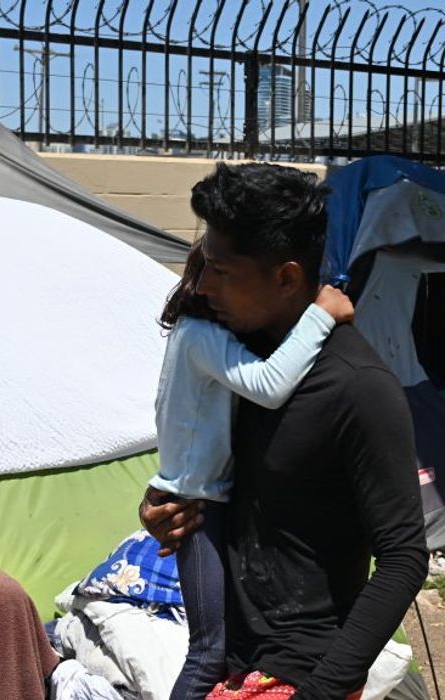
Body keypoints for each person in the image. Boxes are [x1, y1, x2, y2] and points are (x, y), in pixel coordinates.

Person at [140, 162, 429, 700]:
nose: (202, 287)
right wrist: (162, 508)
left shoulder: (357, 388)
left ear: (287, 277)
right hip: (231, 659)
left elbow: (405, 558)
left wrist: (320, 692)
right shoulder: (240, 359)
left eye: (222, 272)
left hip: (299, 673)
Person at [152, 237, 356, 700]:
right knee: (208, 653)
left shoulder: (196, 333)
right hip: (196, 505)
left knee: (221, 650)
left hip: (204, 496)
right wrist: (321, 315)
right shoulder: (202, 336)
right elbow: (268, 385)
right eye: (216, 276)